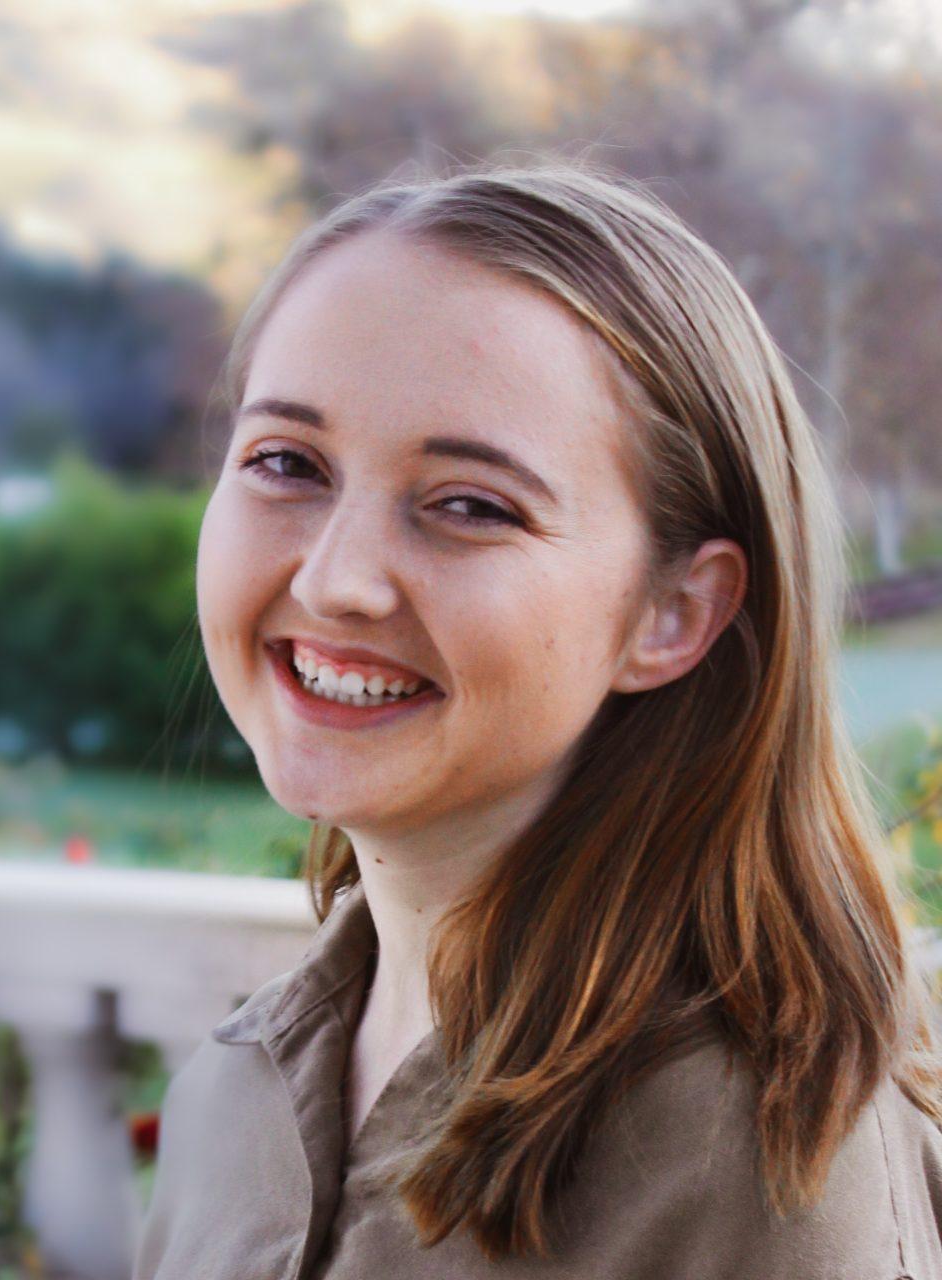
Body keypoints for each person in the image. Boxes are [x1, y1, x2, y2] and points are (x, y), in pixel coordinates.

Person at [132, 158, 942, 1280]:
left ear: (673, 611)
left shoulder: (765, 1171)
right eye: (287, 462)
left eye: (469, 504)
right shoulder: (237, 1093)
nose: (336, 580)